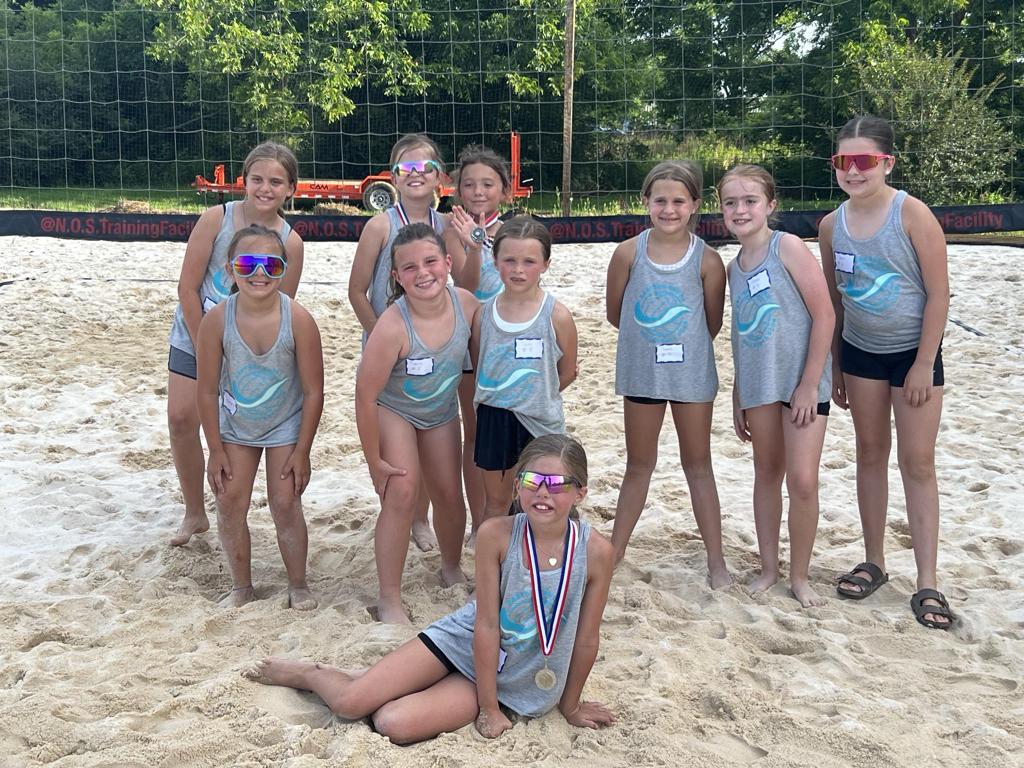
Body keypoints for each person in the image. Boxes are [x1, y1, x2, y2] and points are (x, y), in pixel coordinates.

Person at [243, 434, 616, 745]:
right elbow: (486, 625)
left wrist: (570, 706)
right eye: (533, 481)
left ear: (580, 493)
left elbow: (586, 639)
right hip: (466, 643)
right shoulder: (497, 535)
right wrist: (487, 709)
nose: (543, 493)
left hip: (524, 673)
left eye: (558, 485)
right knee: (349, 704)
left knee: (392, 723)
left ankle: (373, 676)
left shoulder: (596, 552)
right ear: (517, 486)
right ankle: (311, 673)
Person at [819, 116, 953, 629]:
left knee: (917, 463)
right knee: (870, 455)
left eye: (864, 161)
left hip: (913, 355)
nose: (853, 171)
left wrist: (922, 363)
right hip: (860, 354)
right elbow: (835, 302)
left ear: (887, 163)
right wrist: (836, 363)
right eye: (843, 161)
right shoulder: (831, 225)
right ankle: (874, 561)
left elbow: (938, 294)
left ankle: (928, 582)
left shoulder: (912, 214)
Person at [167, 142, 303, 547]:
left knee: (236, 428)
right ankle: (195, 512)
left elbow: (281, 310)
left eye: (275, 181)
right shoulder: (217, 218)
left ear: (291, 189)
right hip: (197, 332)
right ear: (244, 181)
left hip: (247, 348)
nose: (265, 188)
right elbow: (187, 288)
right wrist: (207, 346)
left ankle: (233, 501)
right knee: (181, 418)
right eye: (257, 179)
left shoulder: (291, 242)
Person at [605, 160, 731, 588]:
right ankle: (615, 551)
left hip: (691, 376)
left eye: (679, 201)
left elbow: (711, 323)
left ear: (695, 204)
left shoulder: (708, 260)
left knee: (698, 465)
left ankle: (716, 561)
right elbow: (615, 314)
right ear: (646, 201)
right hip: (643, 373)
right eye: (660, 200)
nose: (669, 209)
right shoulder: (627, 253)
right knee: (639, 464)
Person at [720, 164, 835, 608]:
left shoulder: (786, 246)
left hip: (801, 383)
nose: (740, 210)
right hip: (758, 384)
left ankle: (800, 577)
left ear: (770, 205)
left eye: (750, 201)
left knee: (802, 480)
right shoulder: (734, 267)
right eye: (731, 203)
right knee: (766, 473)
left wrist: (809, 383)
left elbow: (824, 314)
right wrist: (738, 393)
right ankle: (769, 568)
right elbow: (742, 332)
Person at [195, 224, 324, 609]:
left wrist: (302, 450)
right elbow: (206, 390)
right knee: (229, 500)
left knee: (285, 502)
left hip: (286, 424)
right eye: (247, 264)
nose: (259, 273)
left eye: (272, 264)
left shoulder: (298, 319)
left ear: (284, 269)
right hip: (236, 426)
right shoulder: (216, 320)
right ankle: (242, 586)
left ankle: (298, 583)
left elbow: (314, 391)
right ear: (229, 270)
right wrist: (214, 449)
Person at [354, 223, 477, 625]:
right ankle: (389, 597)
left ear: (448, 263)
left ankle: (451, 565)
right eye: (409, 268)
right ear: (396, 276)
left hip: (440, 411)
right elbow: (365, 396)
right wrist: (374, 460)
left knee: (449, 493)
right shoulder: (392, 326)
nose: (422, 273)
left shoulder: (467, 305)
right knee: (401, 493)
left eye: (430, 262)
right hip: (395, 411)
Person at [349, 133, 448, 552]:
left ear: (439, 176)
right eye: (406, 168)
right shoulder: (380, 225)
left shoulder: (446, 226)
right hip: (388, 350)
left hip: (433, 352)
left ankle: (419, 517)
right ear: (393, 177)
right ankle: (398, 513)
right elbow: (356, 291)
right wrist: (380, 339)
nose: (415, 174)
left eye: (424, 167)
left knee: (426, 442)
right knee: (394, 445)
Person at [472, 216, 578, 523]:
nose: (518, 269)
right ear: (495, 261)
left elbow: (566, 372)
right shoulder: (483, 316)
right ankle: (496, 554)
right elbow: (481, 364)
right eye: (510, 260)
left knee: (547, 501)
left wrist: (531, 395)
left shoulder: (557, 316)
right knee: (497, 503)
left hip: (541, 421)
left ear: (545, 264)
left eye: (529, 261)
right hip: (495, 420)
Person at [444, 144, 513, 542]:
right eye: (469, 184)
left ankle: (507, 512)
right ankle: (479, 520)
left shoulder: (515, 232)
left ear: (504, 189)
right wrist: (472, 246)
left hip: (508, 343)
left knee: (512, 427)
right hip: (470, 343)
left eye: (487, 184)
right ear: (458, 190)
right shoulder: (451, 230)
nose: (478, 191)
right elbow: (464, 285)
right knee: (475, 432)